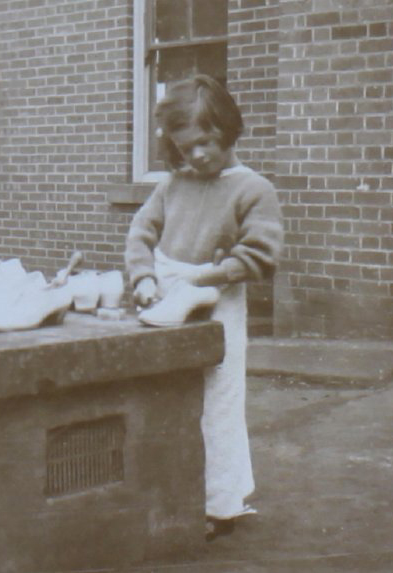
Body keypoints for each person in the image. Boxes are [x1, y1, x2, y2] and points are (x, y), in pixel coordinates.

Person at [124, 74, 284, 541]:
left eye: (206, 143)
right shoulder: (173, 186)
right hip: (166, 298)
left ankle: (222, 504)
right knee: (167, 395)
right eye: (185, 146)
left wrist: (207, 276)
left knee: (218, 402)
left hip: (217, 304)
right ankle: (170, 496)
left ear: (228, 129)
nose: (197, 155)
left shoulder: (253, 188)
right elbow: (140, 234)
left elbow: (260, 255)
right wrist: (145, 277)